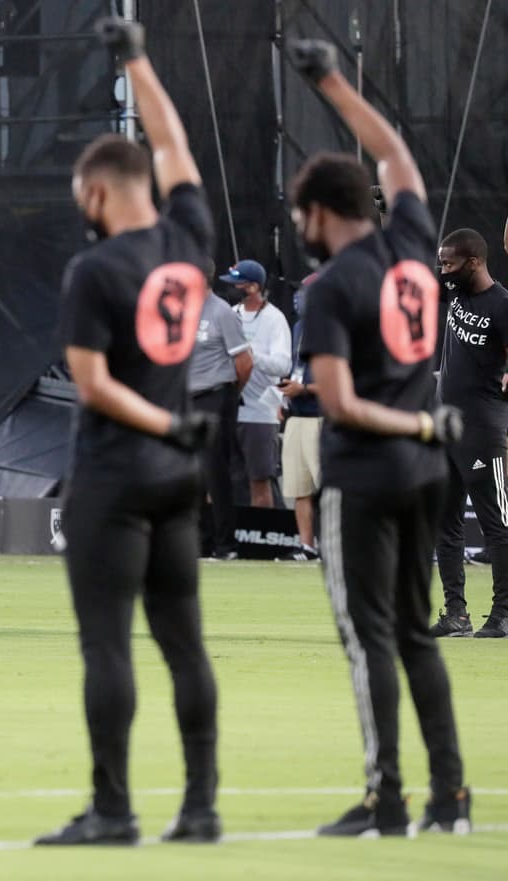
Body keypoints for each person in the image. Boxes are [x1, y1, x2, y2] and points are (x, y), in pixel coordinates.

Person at [34, 19, 221, 847]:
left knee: (108, 645)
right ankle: (201, 806)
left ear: (100, 192)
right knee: (185, 642)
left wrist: (163, 421)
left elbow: (95, 383)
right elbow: (173, 139)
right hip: (179, 475)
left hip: (115, 473)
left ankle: (113, 809)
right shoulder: (190, 240)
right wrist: (137, 57)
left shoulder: (96, 269)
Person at [291, 39, 471, 836]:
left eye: (303, 214)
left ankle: (384, 798)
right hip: (426, 472)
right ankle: (451, 797)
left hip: (367, 473)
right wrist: (331, 80)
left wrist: (420, 417)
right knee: (416, 634)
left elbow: (340, 402)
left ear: (323, 213)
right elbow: (395, 151)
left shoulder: (330, 288)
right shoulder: (412, 249)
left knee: (370, 642)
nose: (301, 226)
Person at [430, 228, 508, 638]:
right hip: (446, 428)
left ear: (474, 262)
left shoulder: (502, 305)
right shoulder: (456, 293)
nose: (443, 270)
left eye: (449, 263)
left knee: (498, 525)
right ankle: (456, 614)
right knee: (446, 523)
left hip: (483, 430)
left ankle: (504, 613)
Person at [189, 285, 252, 559]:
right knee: (193, 475)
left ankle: (226, 545)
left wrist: (230, 394)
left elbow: (245, 362)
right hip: (188, 398)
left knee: (216, 473)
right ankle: (201, 543)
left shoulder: (221, 311)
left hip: (216, 395)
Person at [221, 259, 291, 508]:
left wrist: (250, 355)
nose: (231, 288)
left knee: (259, 481)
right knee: (228, 479)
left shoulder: (274, 319)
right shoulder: (229, 314)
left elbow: (284, 365)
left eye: (236, 283)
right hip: (230, 410)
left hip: (260, 413)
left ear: (252, 287)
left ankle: (264, 538)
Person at [277, 276, 322, 561]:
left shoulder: (338, 330)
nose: (300, 297)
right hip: (297, 414)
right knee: (298, 487)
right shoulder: (299, 327)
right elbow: (297, 368)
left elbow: (343, 382)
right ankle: (307, 546)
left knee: (328, 487)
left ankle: (338, 546)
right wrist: (285, 396)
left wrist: (304, 388)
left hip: (322, 416)